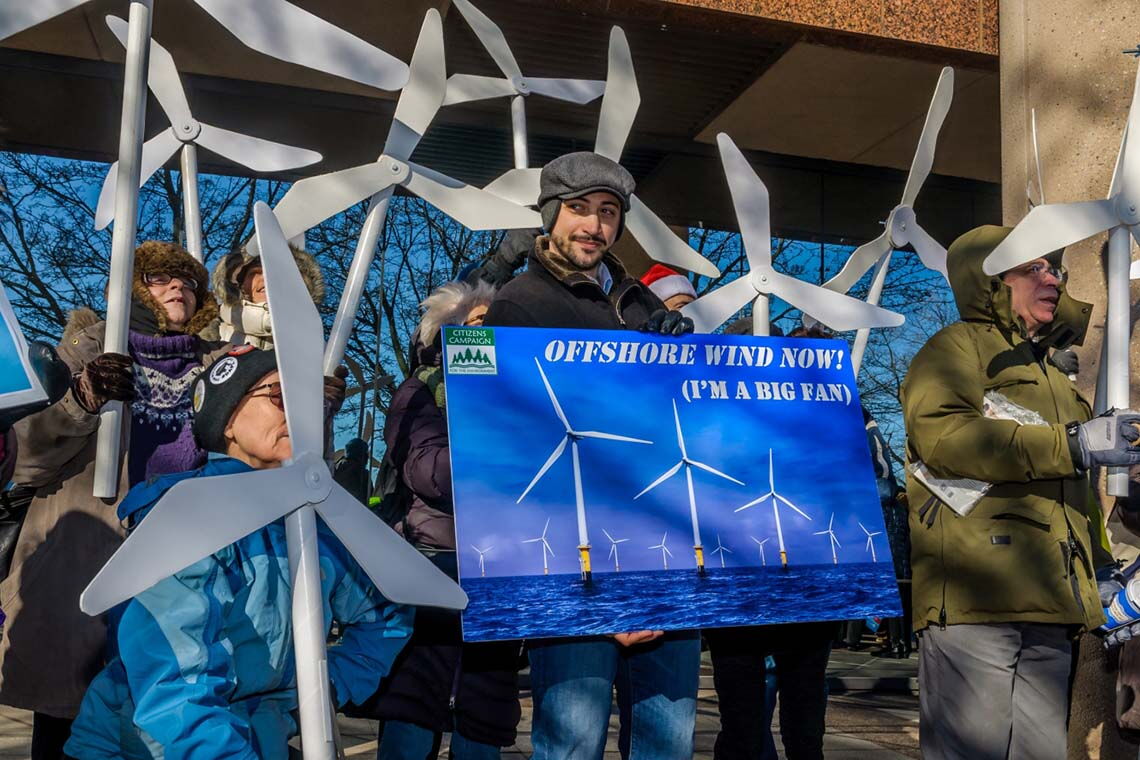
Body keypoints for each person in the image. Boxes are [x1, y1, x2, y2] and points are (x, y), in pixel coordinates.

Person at [64, 347, 413, 758]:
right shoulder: (187, 520)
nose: (299, 411)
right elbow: (172, 690)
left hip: (256, 741)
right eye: (281, 395)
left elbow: (387, 614)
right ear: (228, 421)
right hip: (141, 748)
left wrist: (320, 690)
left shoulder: (315, 521)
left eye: (308, 399)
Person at [483, 151, 699, 760]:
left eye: (608, 213)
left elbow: (678, 435)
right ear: (550, 216)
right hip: (573, 567)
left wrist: (684, 366)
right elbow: (514, 453)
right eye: (578, 209)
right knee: (572, 744)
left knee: (669, 744)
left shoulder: (643, 307)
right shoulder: (520, 306)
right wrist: (599, 594)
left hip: (664, 561)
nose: (594, 226)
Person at [901, 225, 1140, 760]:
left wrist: (1098, 570)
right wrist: (1075, 441)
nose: (1050, 277)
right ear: (990, 281)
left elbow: (1070, 496)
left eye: (1052, 268)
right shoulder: (954, 349)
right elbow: (944, 439)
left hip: (1047, 599)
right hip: (976, 594)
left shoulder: (1049, 372)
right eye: (1031, 268)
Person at [0, 241, 224, 760]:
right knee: (69, 727)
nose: (179, 288)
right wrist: (81, 401)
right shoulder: (82, 352)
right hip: (83, 563)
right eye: (161, 278)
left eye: (189, 282)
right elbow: (22, 457)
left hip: (177, 570)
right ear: (133, 291)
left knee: (163, 722)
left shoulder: (222, 367)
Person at [360, 279, 522, 759]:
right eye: (479, 324)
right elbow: (428, 470)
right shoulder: (420, 392)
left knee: (485, 711)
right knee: (414, 705)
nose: (491, 333)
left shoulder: (526, 397)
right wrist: (503, 454)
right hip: (433, 563)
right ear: (451, 333)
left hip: (503, 565)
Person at [205, 243, 325, 349]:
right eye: (255, 273)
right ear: (239, 286)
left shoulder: (313, 343)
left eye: (274, 272)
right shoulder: (211, 337)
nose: (265, 278)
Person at [334, 437, 372, 505]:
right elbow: (371, 498)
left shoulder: (335, 468)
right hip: (356, 512)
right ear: (363, 455)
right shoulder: (363, 474)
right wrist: (379, 501)